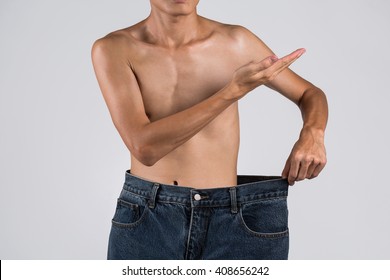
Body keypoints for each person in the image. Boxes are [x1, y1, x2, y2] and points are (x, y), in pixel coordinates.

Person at [91, 0, 328, 260]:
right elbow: (145, 148)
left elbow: (309, 93)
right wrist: (232, 91)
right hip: (149, 216)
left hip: (233, 219)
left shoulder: (236, 42)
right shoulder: (114, 49)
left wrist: (312, 134)